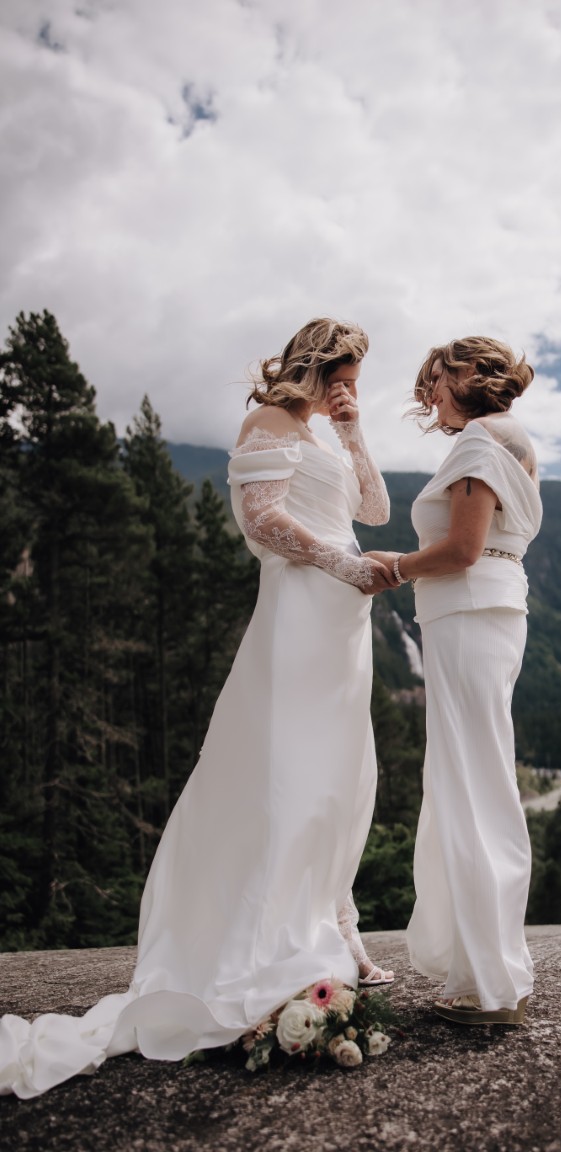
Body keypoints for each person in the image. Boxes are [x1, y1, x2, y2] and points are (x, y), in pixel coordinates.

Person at [0, 318, 395, 1098]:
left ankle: (342, 937)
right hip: (299, 614)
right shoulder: (268, 422)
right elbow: (262, 522)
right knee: (289, 776)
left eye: (359, 376)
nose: (352, 386)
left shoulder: (327, 428)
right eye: (344, 374)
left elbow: (376, 510)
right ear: (314, 366)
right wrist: (343, 564)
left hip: (346, 624)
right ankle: (268, 946)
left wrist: (354, 432)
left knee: (342, 780)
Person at [366, 336, 542, 1025]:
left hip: (466, 616)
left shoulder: (477, 442)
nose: (430, 392)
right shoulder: (514, 440)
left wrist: (396, 565)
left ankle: (490, 986)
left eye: (437, 377)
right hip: (490, 615)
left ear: (472, 374)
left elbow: (464, 549)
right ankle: (487, 970)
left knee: (472, 786)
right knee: (477, 778)